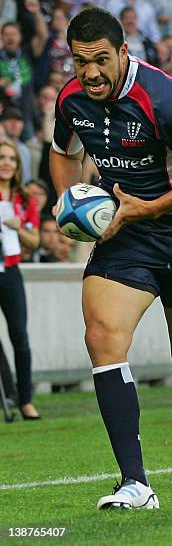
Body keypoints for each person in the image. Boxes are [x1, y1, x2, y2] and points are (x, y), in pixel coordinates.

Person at [49, 7, 172, 509]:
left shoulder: (166, 98)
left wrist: (149, 207)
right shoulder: (71, 100)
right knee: (102, 336)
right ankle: (136, 483)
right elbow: (63, 152)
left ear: (124, 52)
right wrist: (68, 202)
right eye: (80, 61)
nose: (90, 72)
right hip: (125, 236)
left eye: (101, 60)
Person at [0, 139, 40, 419]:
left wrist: (17, 227)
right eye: (2, 158)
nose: (6, 163)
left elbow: (35, 240)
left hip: (11, 271)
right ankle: (8, 395)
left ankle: (25, 399)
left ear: (17, 165)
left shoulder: (24, 199)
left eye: (11, 159)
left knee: (20, 337)